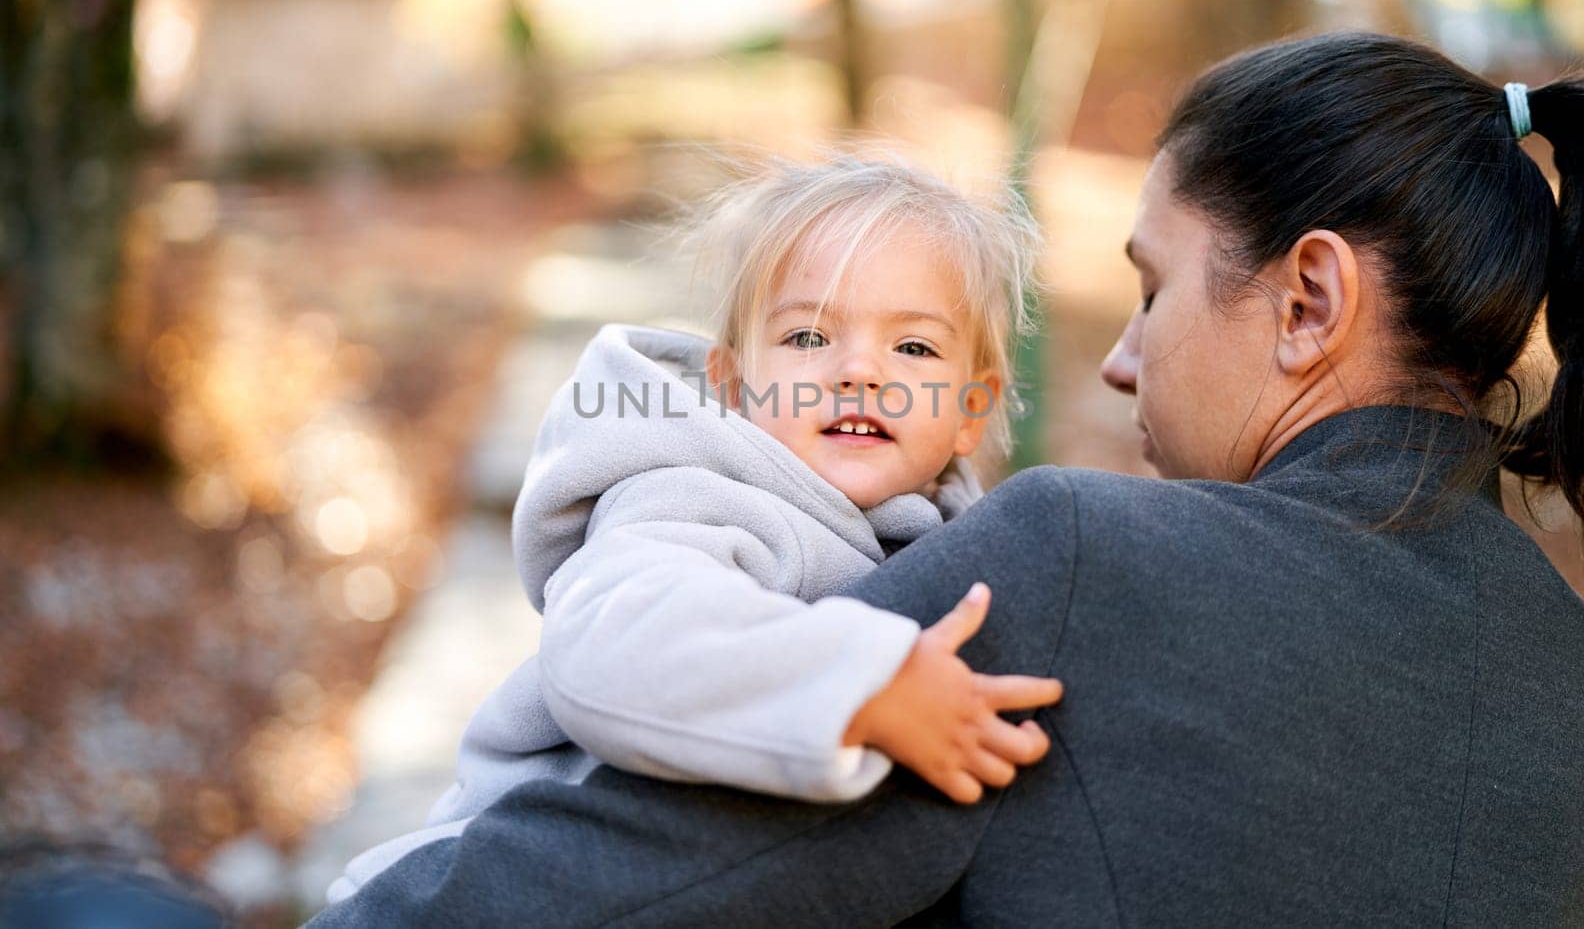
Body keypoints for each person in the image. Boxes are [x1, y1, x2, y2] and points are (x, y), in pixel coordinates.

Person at [309, 32, 1584, 926]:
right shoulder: (1570, 670)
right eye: (809, 336)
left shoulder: (1083, 567)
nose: (1120, 358)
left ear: (1311, 297)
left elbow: (595, 890)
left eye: (1152, 287)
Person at [325, 156, 1062, 900]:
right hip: (480, 892)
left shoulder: (960, 548)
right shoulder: (695, 499)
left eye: (914, 347)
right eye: (808, 337)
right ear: (735, 384)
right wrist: (863, 686)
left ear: (973, 408)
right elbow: (616, 648)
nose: (859, 371)